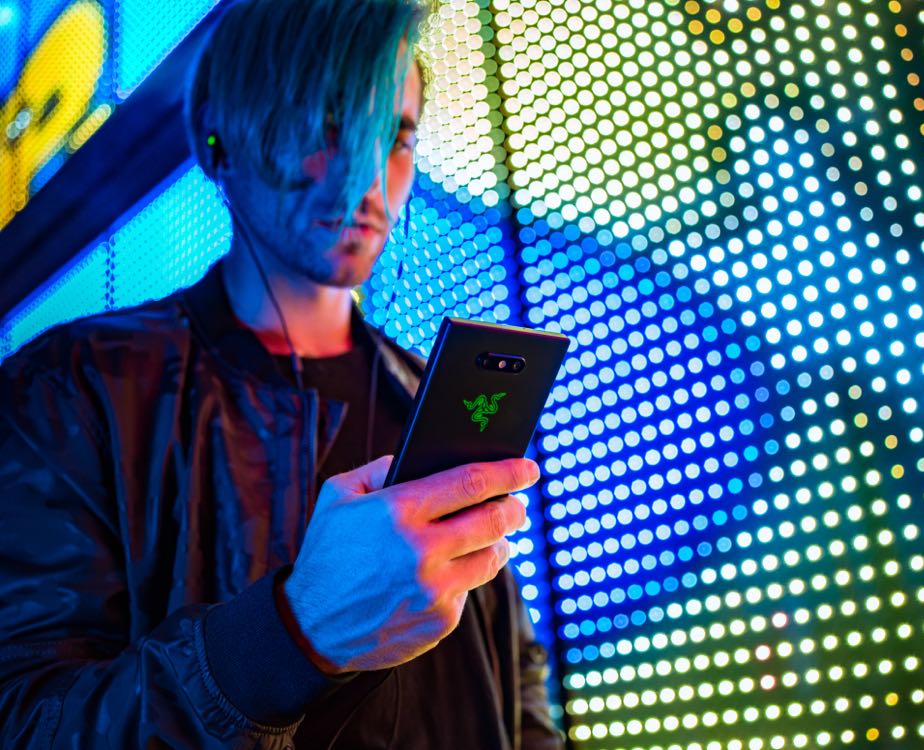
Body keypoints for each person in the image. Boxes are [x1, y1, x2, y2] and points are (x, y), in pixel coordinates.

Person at [0, 0, 564, 747]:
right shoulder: (71, 390)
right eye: (327, 128)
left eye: (394, 137)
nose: (366, 178)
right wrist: (291, 637)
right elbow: (25, 720)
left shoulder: (427, 392)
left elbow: (516, 683)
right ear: (221, 142)